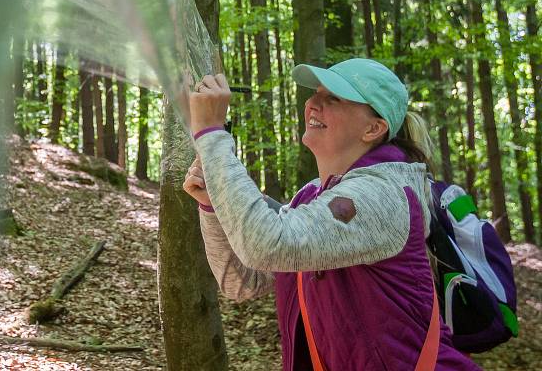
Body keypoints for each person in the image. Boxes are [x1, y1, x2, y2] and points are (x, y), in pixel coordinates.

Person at [183, 58, 481, 371]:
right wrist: (212, 206)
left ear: (373, 128)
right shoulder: (312, 196)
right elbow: (242, 283)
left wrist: (212, 134)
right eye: (316, 94)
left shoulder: (384, 194)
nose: (312, 103)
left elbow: (268, 244)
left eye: (333, 98)